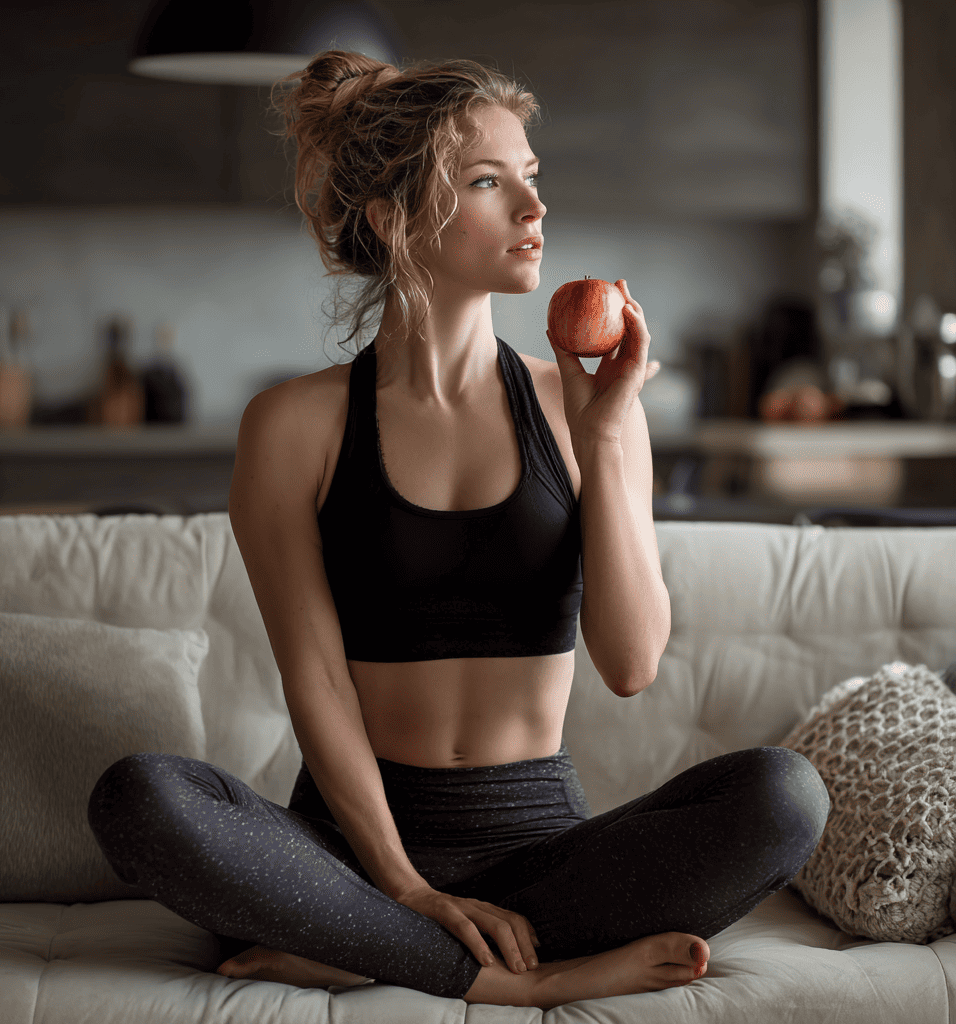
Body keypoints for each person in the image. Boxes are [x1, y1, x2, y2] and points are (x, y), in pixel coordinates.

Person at [86, 50, 830, 1010]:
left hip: (543, 857)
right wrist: (403, 887)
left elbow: (633, 661)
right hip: (351, 857)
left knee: (784, 795)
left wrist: (605, 436)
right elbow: (313, 679)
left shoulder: (586, 405)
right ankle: (506, 977)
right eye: (490, 181)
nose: (534, 209)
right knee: (139, 797)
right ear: (395, 220)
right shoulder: (292, 427)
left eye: (532, 177)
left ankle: (365, 950)